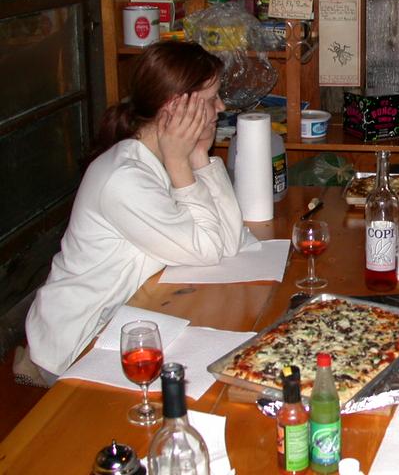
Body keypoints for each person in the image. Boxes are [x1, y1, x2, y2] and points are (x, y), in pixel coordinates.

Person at [22, 41, 253, 383]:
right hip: (75, 344)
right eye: (210, 99)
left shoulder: (158, 158)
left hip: (122, 318)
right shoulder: (125, 179)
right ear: (175, 108)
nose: (221, 106)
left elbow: (230, 240)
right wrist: (180, 161)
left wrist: (200, 156)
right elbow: (207, 249)